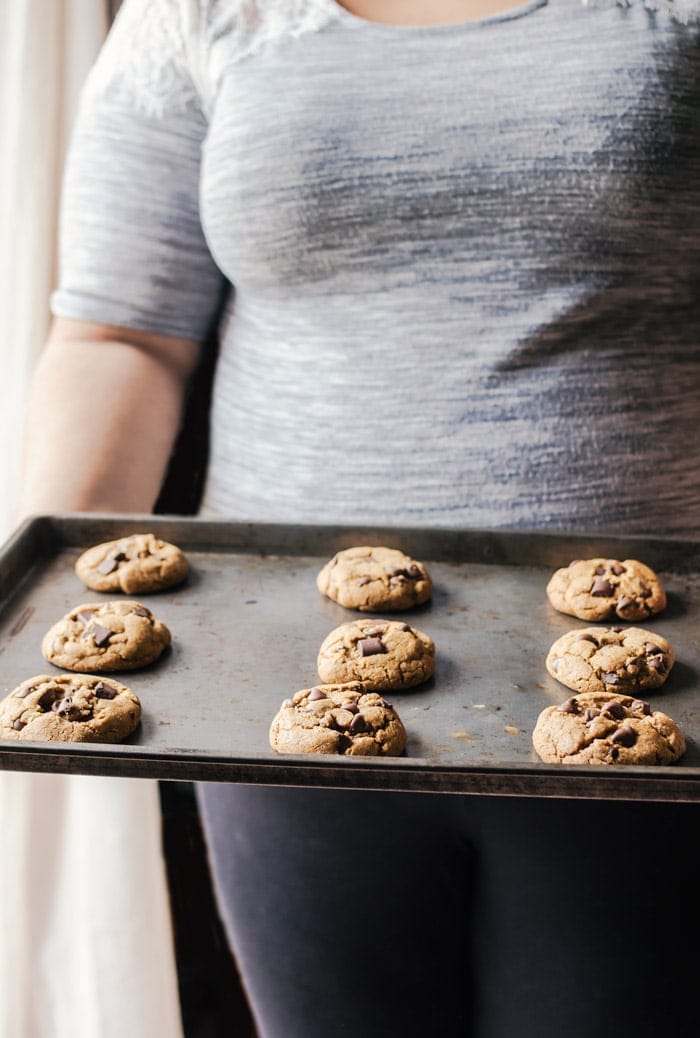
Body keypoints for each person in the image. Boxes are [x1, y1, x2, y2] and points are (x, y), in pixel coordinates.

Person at [19, 0, 700, 1035]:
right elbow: (122, 331)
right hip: (274, 682)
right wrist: (46, 618)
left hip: (661, 677)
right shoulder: (203, 12)